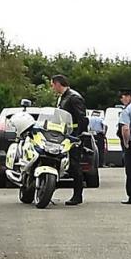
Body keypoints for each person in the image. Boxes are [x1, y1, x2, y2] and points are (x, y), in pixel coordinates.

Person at [47, 73, 90, 206]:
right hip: (64, 135)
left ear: (58, 84)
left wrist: (77, 136)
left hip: (73, 136)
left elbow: (82, 119)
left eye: (53, 85)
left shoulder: (73, 97)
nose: (52, 88)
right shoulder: (63, 98)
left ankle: (78, 195)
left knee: (74, 165)